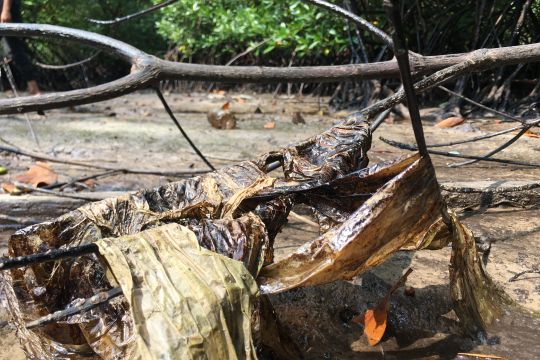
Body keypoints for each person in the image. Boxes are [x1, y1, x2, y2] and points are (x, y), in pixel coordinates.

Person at [0, 0, 41, 94]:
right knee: (15, 50)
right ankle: (7, 88)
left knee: (15, 50)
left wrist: (6, 10)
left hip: (5, 7)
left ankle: (34, 88)